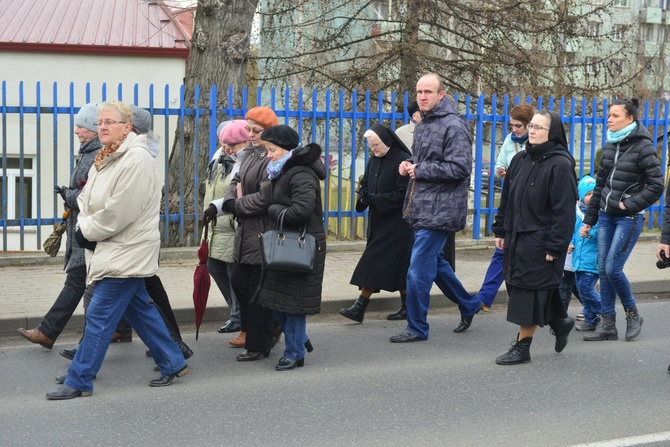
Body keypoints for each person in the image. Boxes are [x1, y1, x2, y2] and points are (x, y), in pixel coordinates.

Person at [46, 100, 188, 400]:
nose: (102, 127)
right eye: (100, 122)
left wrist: (86, 230)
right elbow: (87, 198)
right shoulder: (107, 155)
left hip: (127, 248)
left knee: (98, 315)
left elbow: (119, 212)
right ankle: (173, 360)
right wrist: (88, 220)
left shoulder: (136, 159)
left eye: (110, 122)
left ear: (128, 127)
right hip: (111, 245)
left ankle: (80, 378)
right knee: (139, 309)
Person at [17, 103, 122, 348]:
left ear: (94, 130)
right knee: (129, 290)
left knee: (77, 282)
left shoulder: (97, 156)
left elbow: (92, 197)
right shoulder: (89, 153)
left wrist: (69, 195)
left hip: (89, 233)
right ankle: (121, 329)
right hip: (84, 231)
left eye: (81, 126)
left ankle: (48, 331)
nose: (76, 131)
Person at [389, 73, 483, 343]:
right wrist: (408, 164)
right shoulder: (424, 123)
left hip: (441, 209)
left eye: (428, 92)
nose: (422, 97)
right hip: (422, 205)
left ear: (442, 94)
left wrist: (420, 169)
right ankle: (469, 304)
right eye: (419, 92)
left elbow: (460, 167)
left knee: (417, 270)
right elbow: (424, 159)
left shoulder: (454, 125)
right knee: (436, 263)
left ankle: (416, 327)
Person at [492, 110, 578, 365]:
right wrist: (500, 230)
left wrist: (556, 245)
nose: (532, 130)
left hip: (542, 240)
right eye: (531, 125)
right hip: (517, 236)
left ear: (551, 133)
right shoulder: (519, 159)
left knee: (527, 293)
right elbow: (506, 199)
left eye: (539, 127)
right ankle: (560, 322)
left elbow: (564, 211)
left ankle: (522, 347)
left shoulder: (560, 164)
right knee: (521, 286)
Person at [582, 98, 664, 342]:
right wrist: (590, 219)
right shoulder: (609, 145)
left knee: (612, 268)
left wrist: (629, 203)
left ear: (630, 119)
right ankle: (608, 324)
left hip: (628, 217)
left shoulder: (643, 147)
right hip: (606, 217)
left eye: (615, 115)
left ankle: (632, 313)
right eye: (609, 115)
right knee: (604, 271)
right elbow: (599, 186)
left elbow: (656, 185)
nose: (609, 119)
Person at [203, 106, 281, 360]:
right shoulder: (247, 153)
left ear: (268, 131)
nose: (251, 134)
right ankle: (256, 331)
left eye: (256, 130)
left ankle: (259, 344)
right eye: (248, 129)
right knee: (240, 282)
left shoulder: (272, 155)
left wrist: (237, 206)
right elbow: (235, 183)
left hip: (262, 230)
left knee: (256, 288)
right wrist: (222, 205)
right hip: (245, 231)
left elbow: (265, 196)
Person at [254, 125, 326, 370]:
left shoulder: (300, 174)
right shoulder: (282, 170)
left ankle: (294, 352)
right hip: (288, 242)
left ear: (286, 150)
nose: (269, 155)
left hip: (300, 245)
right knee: (276, 301)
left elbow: (302, 210)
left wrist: (273, 210)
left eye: (272, 150)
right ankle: (300, 340)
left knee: (294, 305)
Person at [339, 123, 413, 323]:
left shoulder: (402, 160)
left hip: (398, 224)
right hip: (379, 221)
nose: (373, 149)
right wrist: (363, 196)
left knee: (372, 262)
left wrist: (375, 200)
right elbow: (366, 182)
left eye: (376, 145)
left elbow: (402, 195)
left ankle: (359, 306)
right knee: (400, 266)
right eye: (371, 146)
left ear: (386, 142)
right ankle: (407, 307)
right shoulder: (374, 159)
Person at [475, 103, 534, 313]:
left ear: (529, 125)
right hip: (511, 200)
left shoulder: (536, 143)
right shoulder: (510, 140)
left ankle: (546, 308)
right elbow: (501, 161)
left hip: (530, 208)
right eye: (512, 125)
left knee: (525, 259)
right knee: (501, 252)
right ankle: (483, 299)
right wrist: (501, 169)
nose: (515, 129)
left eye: (519, 125)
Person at [204, 120, 247, 335]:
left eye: (231, 144)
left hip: (231, 225)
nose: (226, 149)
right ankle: (237, 311)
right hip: (217, 224)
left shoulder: (242, 161)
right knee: (214, 267)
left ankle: (238, 317)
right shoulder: (219, 157)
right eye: (223, 144)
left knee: (233, 273)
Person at [568, 175, 602, 332]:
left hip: (591, 260)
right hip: (578, 260)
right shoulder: (578, 214)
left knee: (586, 289)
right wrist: (571, 243)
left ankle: (605, 311)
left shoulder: (599, 213)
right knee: (582, 289)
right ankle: (590, 319)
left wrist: (590, 233)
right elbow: (574, 232)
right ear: (581, 196)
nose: (591, 197)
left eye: (594, 194)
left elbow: (601, 233)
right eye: (588, 194)